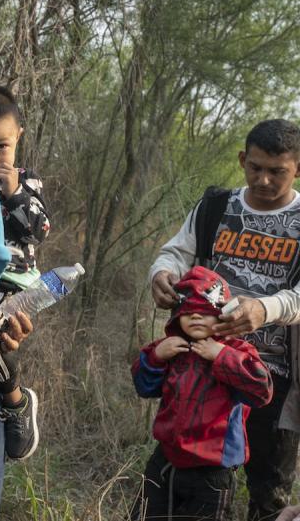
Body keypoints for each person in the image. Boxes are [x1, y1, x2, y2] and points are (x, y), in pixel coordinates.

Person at [150, 119, 300, 521]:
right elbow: (176, 252)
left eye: (277, 171)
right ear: (241, 160)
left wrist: (264, 309)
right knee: (180, 481)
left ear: (297, 167)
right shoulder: (217, 205)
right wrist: (161, 274)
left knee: (269, 494)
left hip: (274, 381)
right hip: (202, 371)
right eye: (255, 167)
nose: (264, 179)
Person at [132, 267, 272, 521]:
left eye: (205, 312)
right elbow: (143, 386)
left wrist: (221, 355)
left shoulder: (237, 350)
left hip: (213, 469)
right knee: (144, 515)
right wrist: (155, 357)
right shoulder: (172, 347)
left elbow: (262, 391)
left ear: (222, 315)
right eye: (189, 312)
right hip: (167, 460)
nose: (196, 316)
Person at [0, 82, 50, 459]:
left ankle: (16, 402)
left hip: (13, 282)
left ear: (18, 137)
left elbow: (39, 229)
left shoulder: (27, 180)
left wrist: (15, 192)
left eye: (1, 146)